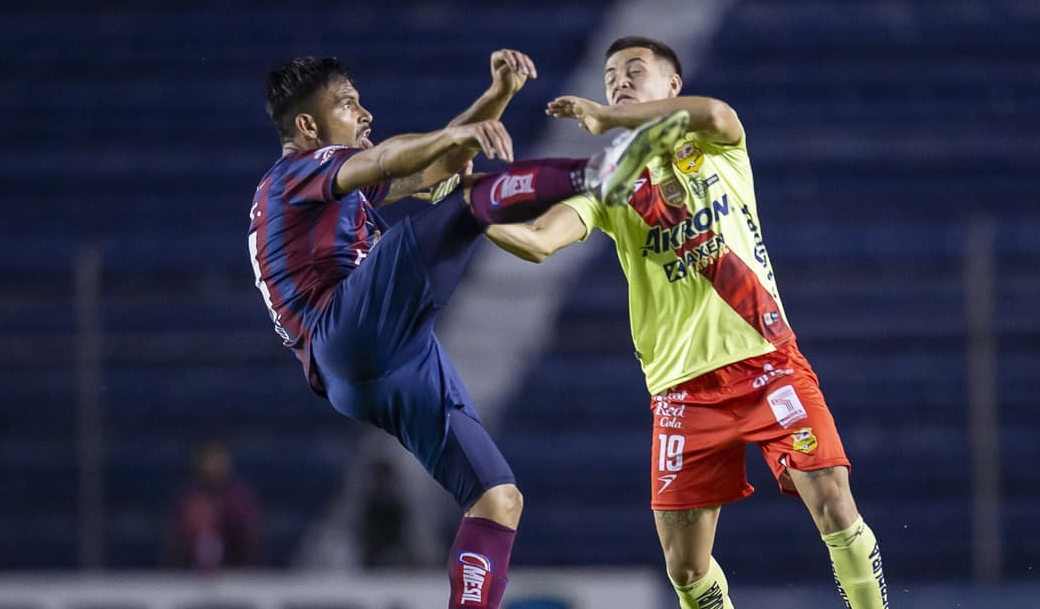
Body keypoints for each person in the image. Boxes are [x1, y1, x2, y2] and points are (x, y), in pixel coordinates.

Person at [246, 48, 685, 609]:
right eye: (349, 104)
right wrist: (453, 139)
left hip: (374, 365)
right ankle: (597, 174)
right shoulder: (298, 171)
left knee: (497, 499)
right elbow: (390, 158)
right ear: (309, 126)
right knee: (470, 201)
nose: (365, 114)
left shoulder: (325, 186)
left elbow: (437, 165)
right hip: (348, 328)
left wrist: (497, 95)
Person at [486, 37, 890, 609]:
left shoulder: (713, 145)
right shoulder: (605, 184)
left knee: (833, 501)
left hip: (765, 359)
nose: (619, 81)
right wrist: (470, 213)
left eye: (634, 70)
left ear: (672, 85)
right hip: (680, 391)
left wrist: (610, 117)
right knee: (685, 566)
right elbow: (538, 240)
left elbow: (716, 112)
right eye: (610, 75)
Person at [164, 438, 262, 571]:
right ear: (199, 462)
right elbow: (175, 546)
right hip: (189, 575)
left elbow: (251, 544)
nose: (215, 465)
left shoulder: (240, 500)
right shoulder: (187, 500)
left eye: (219, 459)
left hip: (236, 574)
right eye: (210, 459)